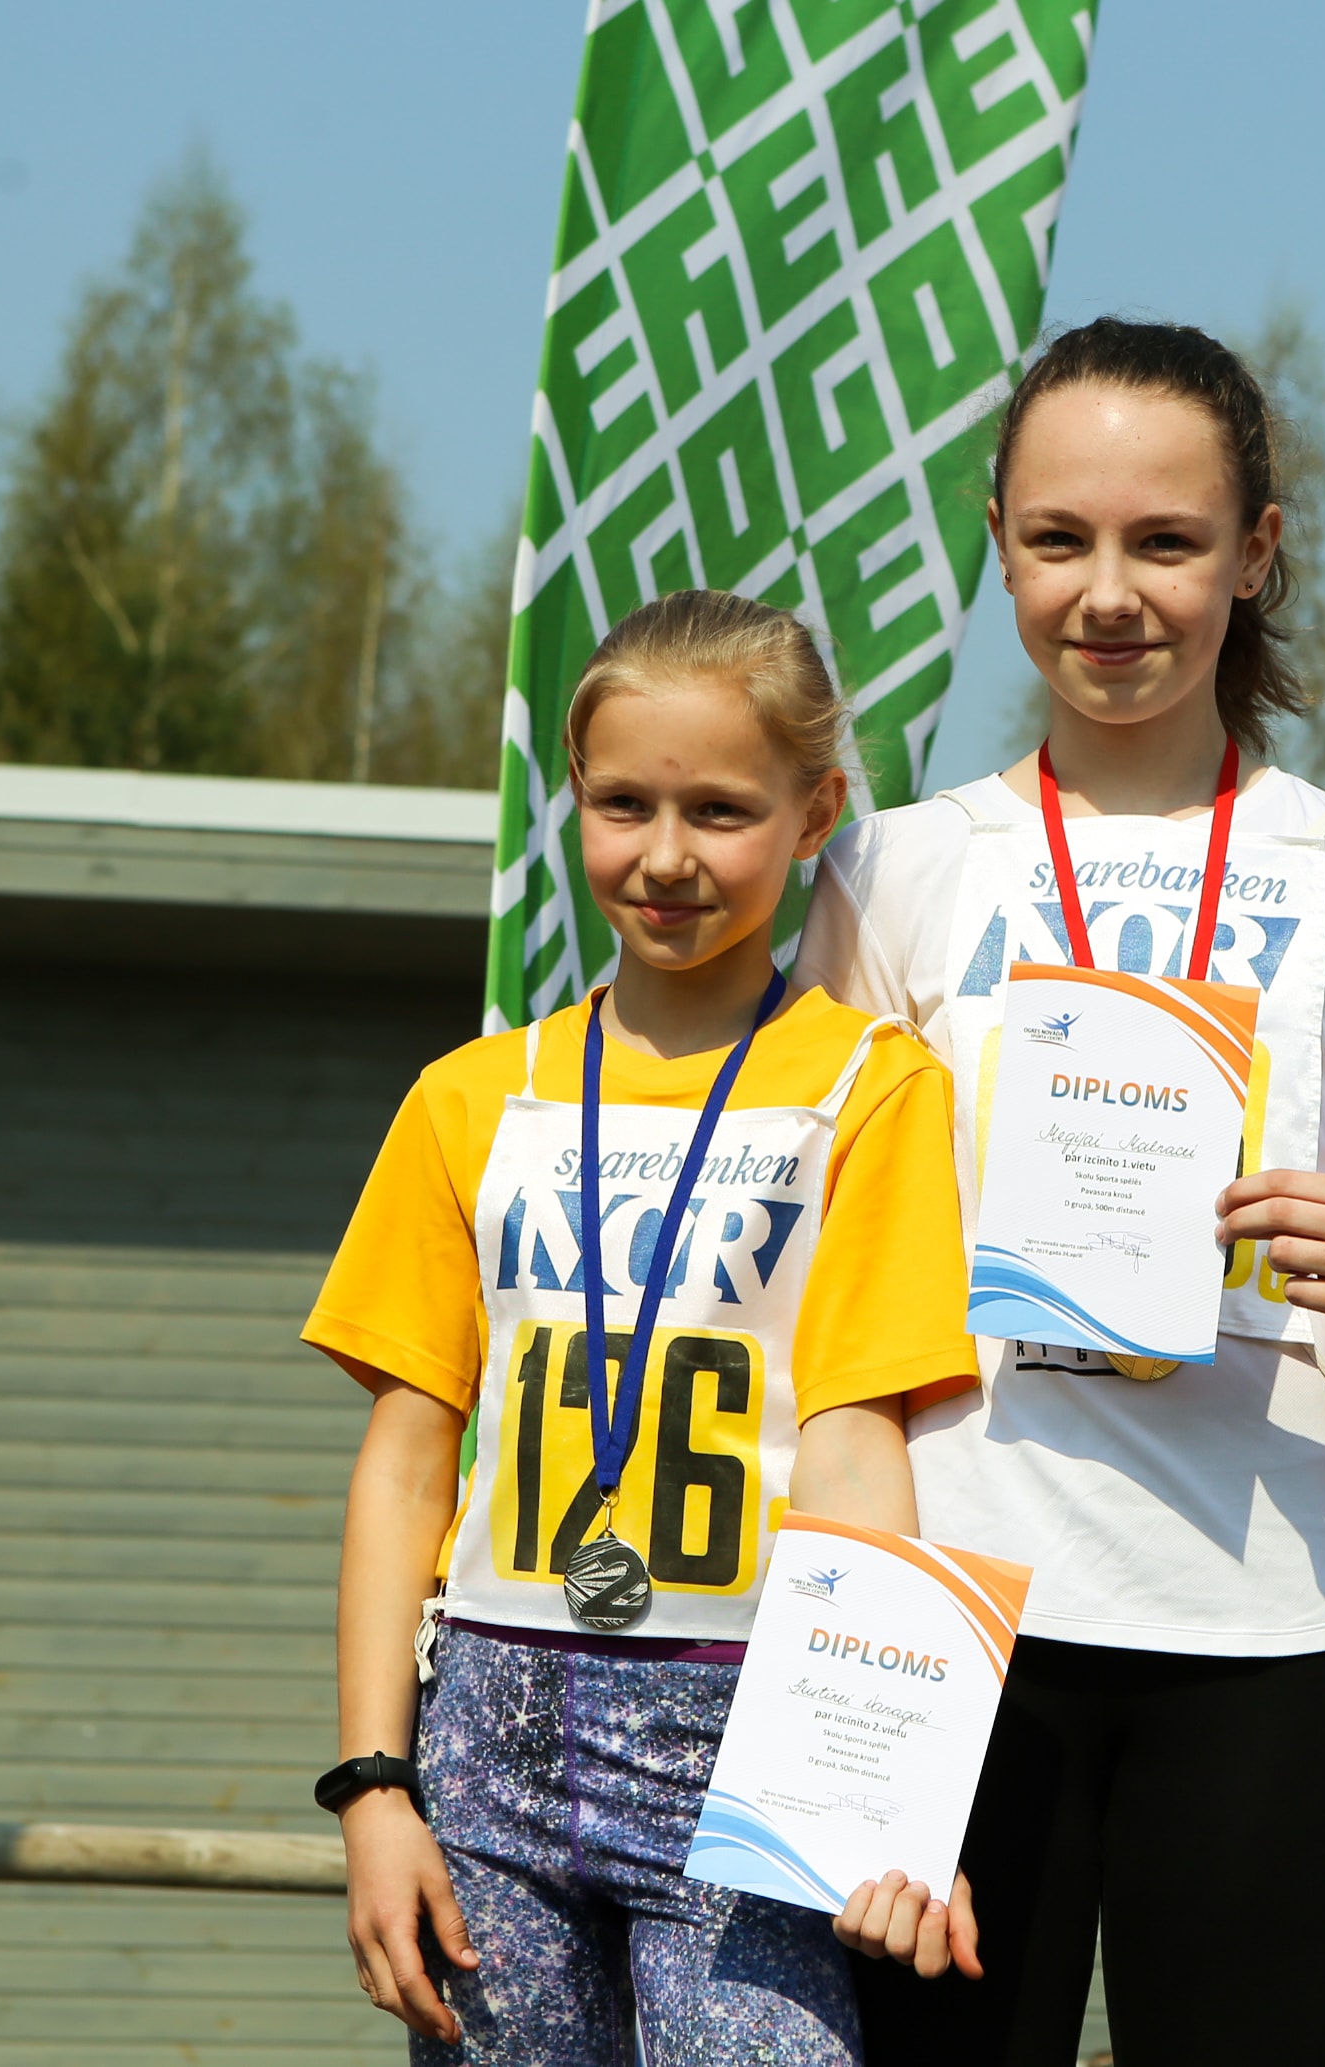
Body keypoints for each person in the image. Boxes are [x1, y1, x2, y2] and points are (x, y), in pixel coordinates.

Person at [799, 315, 1325, 2067]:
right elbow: (828, 1296)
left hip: (1258, 1621)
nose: (1109, 594)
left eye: (1167, 542)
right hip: (957, 1620)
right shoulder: (893, 869)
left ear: (1256, 553)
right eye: (1060, 539)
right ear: (999, 543)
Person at [306, 591, 978, 2064]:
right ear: (575, 800)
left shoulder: (872, 1089)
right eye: (624, 805)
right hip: (488, 1736)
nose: (666, 857)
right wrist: (372, 1785)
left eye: (721, 811)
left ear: (816, 815)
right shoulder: (469, 1097)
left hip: (750, 1730)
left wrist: (890, 1793)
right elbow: (407, 1466)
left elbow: (859, 1454)